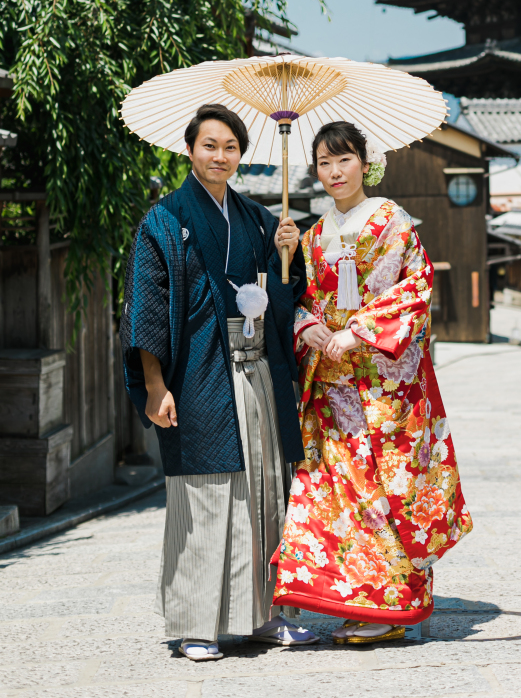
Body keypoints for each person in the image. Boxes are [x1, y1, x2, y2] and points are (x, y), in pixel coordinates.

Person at [121, 103, 319, 659]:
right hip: (199, 369)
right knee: (204, 493)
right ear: (190, 150)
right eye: (210, 145)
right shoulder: (164, 221)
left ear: (240, 154)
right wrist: (156, 384)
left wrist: (287, 256)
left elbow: (283, 298)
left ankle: (265, 615)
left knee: (264, 490)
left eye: (230, 147)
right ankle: (196, 626)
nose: (220, 156)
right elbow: (149, 309)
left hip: (257, 365)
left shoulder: (257, 218)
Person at [272, 120, 472, 643]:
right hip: (333, 388)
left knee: (387, 492)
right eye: (324, 163)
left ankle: (391, 608)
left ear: (365, 161)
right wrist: (307, 321)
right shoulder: (311, 235)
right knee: (339, 493)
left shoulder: (392, 222)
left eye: (344, 160)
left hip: (385, 390)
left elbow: (415, 289)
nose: (335, 172)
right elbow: (303, 300)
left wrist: (357, 334)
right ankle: (353, 602)